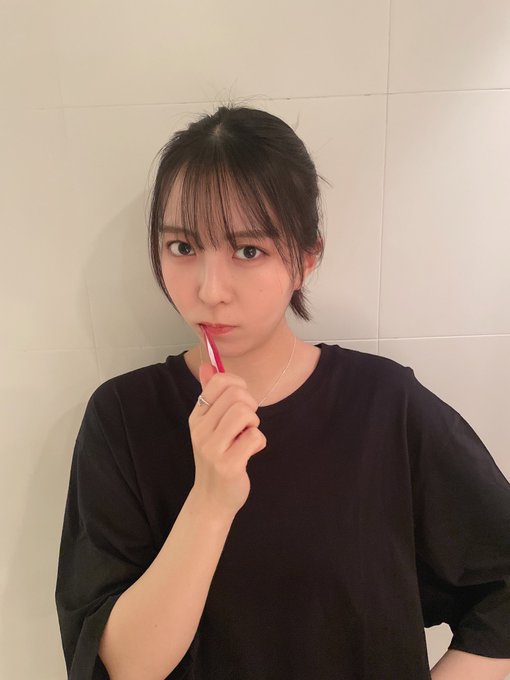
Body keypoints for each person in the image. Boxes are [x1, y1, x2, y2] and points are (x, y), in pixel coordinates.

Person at [55, 105, 510, 680]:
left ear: (306, 258)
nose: (210, 290)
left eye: (249, 251)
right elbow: (123, 666)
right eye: (182, 247)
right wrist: (211, 500)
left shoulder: (383, 404)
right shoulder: (122, 417)